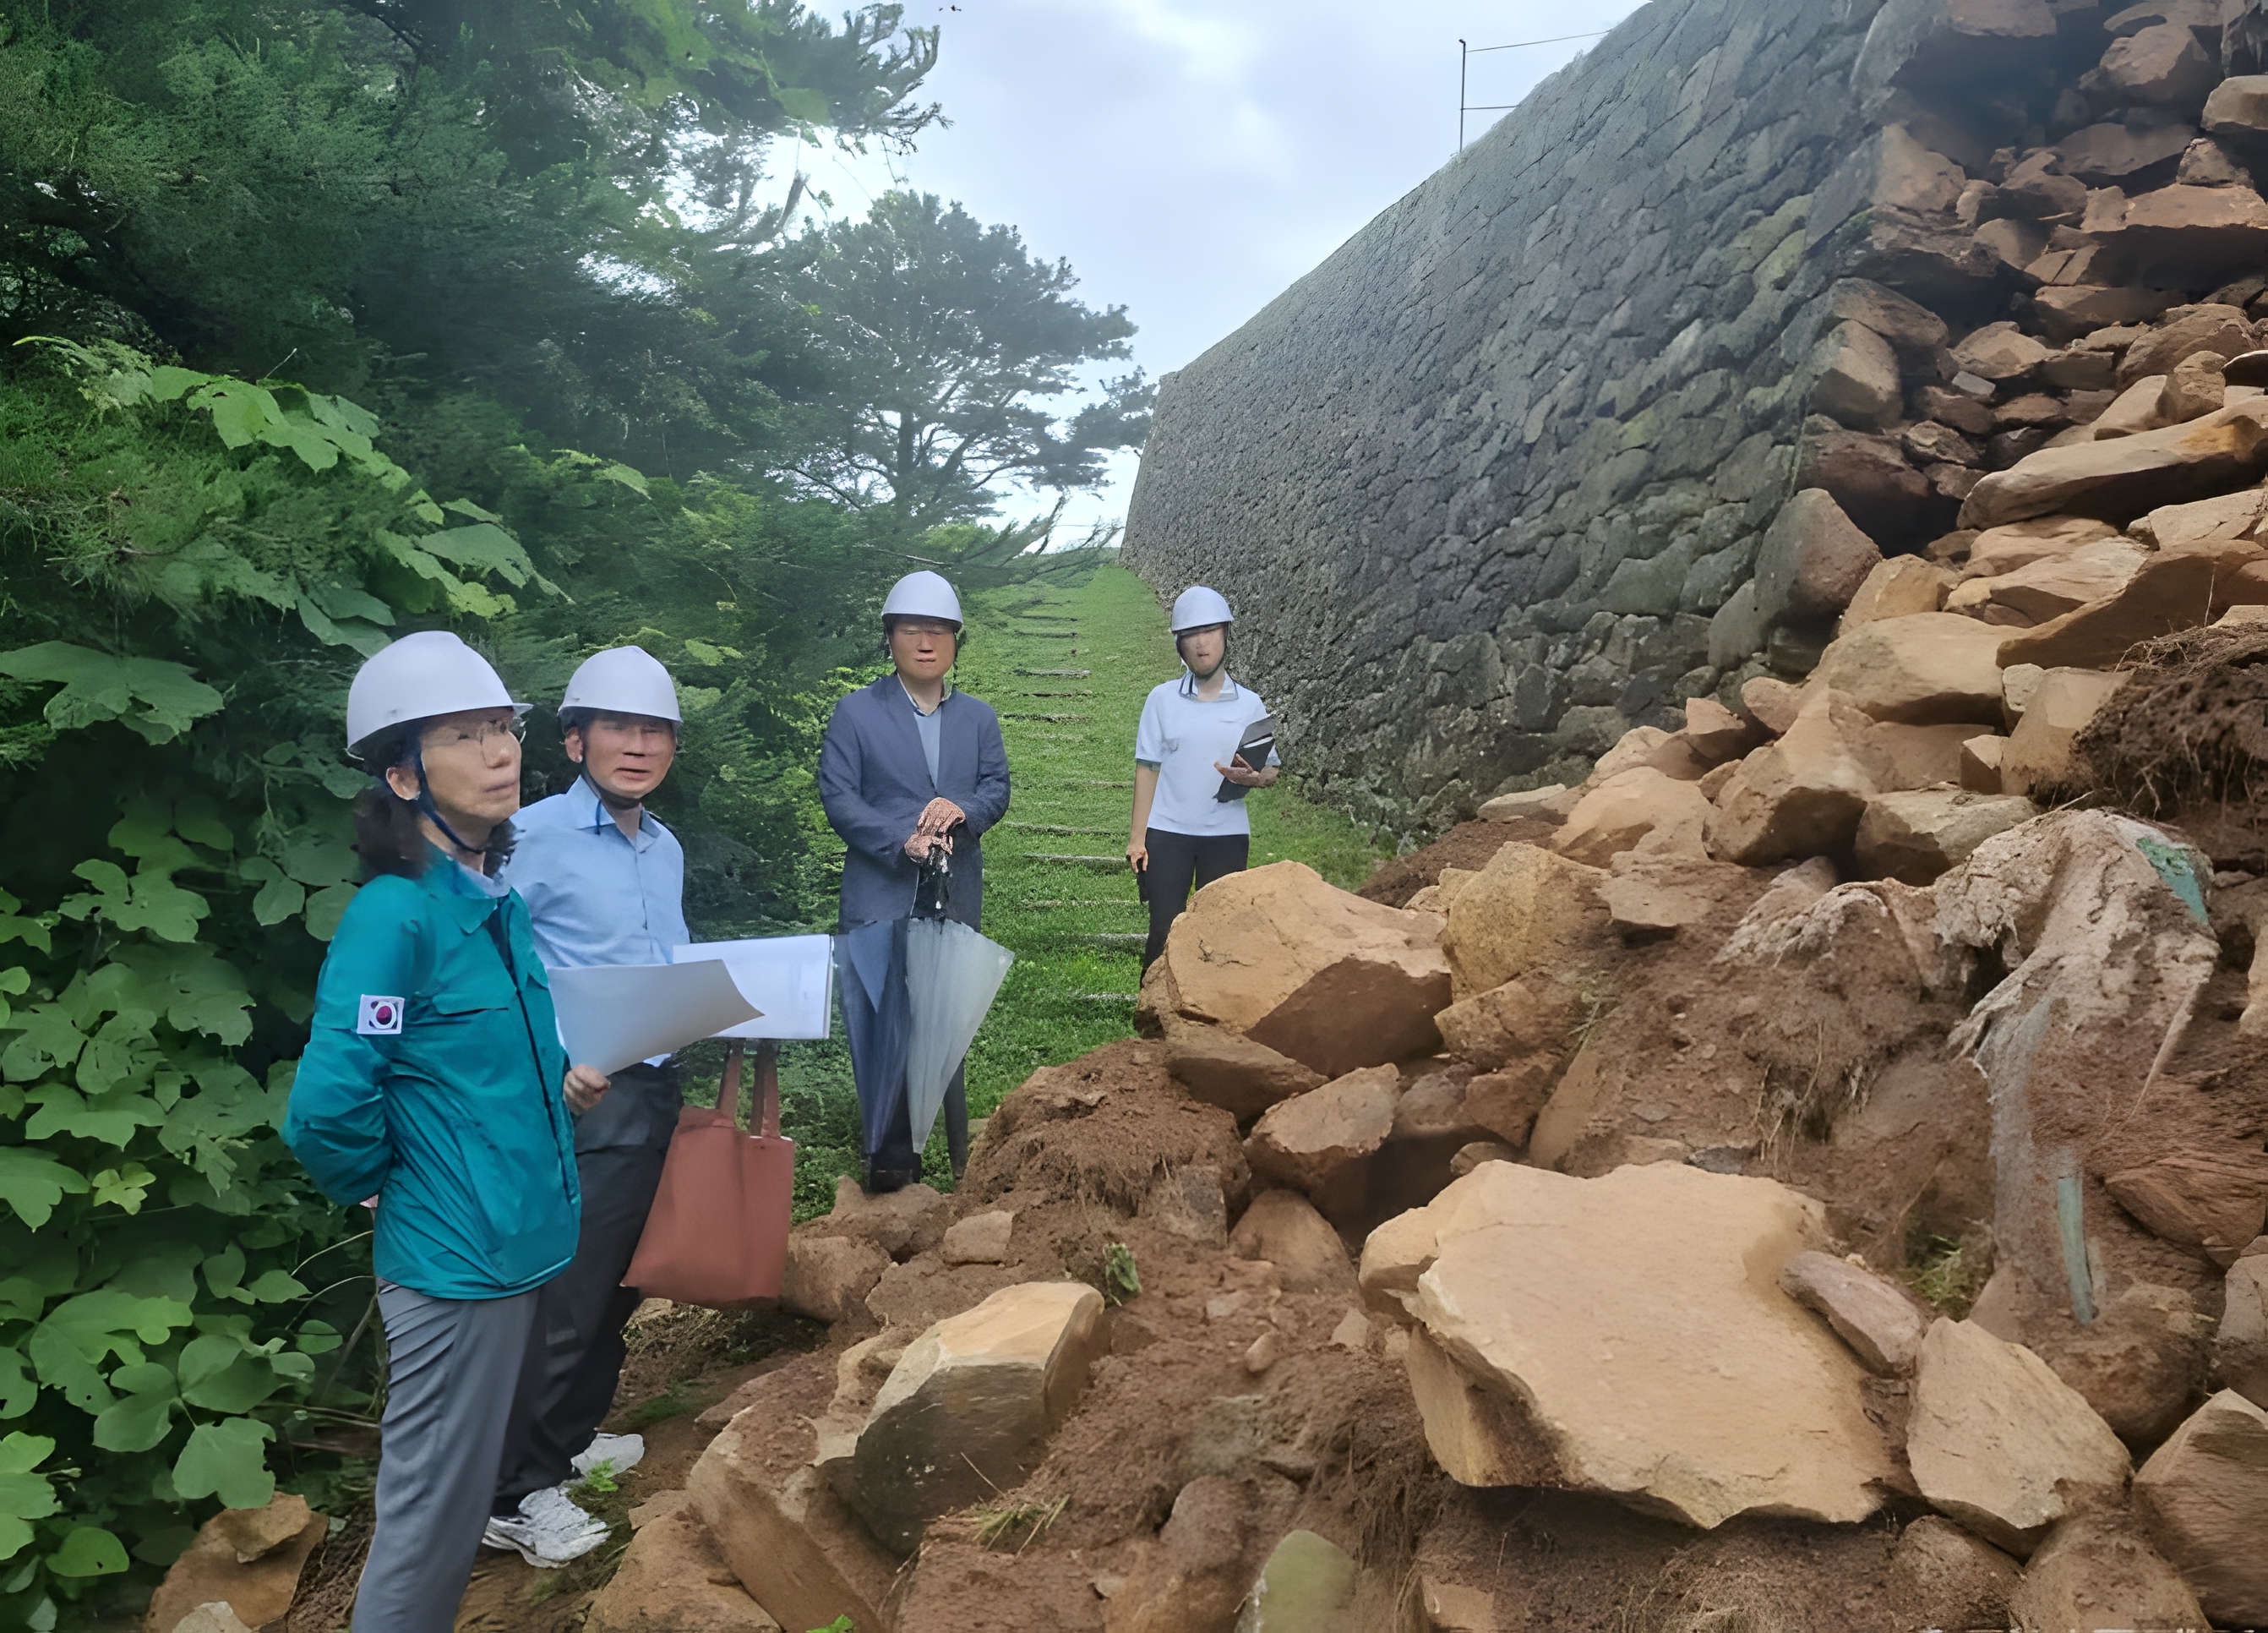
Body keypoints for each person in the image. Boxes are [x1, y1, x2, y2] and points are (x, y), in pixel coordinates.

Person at [281, 631, 610, 1633]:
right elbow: (327, 1105)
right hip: (455, 1262)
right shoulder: (396, 917)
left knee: (462, 1508)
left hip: (516, 1244)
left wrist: (557, 1087)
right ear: (401, 774)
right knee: (431, 1517)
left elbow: (471, 1064)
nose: (500, 751)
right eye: (463, 737)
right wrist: (386, 1182)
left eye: (503, 729)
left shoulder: (490, 900)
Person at [485, 646, 690, 1567]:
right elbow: (488, 968)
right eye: (619, 728)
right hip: (580, 1097)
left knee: (619, 1284)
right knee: (567, 1298)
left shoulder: (663, 847)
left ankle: (565, 1443)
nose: (638, 747)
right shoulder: (528, 838)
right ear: (575, 741)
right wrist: (553, 1059)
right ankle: (511, 1493)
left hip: (652, 1087)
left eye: (655, 731)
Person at [818, 570, 1010, 1191]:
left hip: (952, 890)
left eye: (939, 631)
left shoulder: (977, 718)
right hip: (882, 888)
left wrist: (964, 810)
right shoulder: (857, 712)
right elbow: (840, 797)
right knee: (883, 1018)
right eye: (911, 630)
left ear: (955, 641)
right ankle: (891, 1163)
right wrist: (901, 840)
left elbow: (996, 788)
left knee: (945, 1019)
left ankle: (953, 1154)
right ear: (890, 638)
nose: (926, 643)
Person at [1128, 586, 1279, 969]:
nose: (1201, 643)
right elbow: (1147, 768)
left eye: (1209, 631)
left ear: (1226, 633)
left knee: (1220, 935)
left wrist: (1254, 778)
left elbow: (1271, 770)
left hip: (1227, 836)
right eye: (1190, 635)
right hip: (1168, 834)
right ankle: (1153, 1006)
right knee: (1164, 932)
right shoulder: (1161, 700)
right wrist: (1137, 839)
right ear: (1179, 644)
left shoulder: (1250, 704)